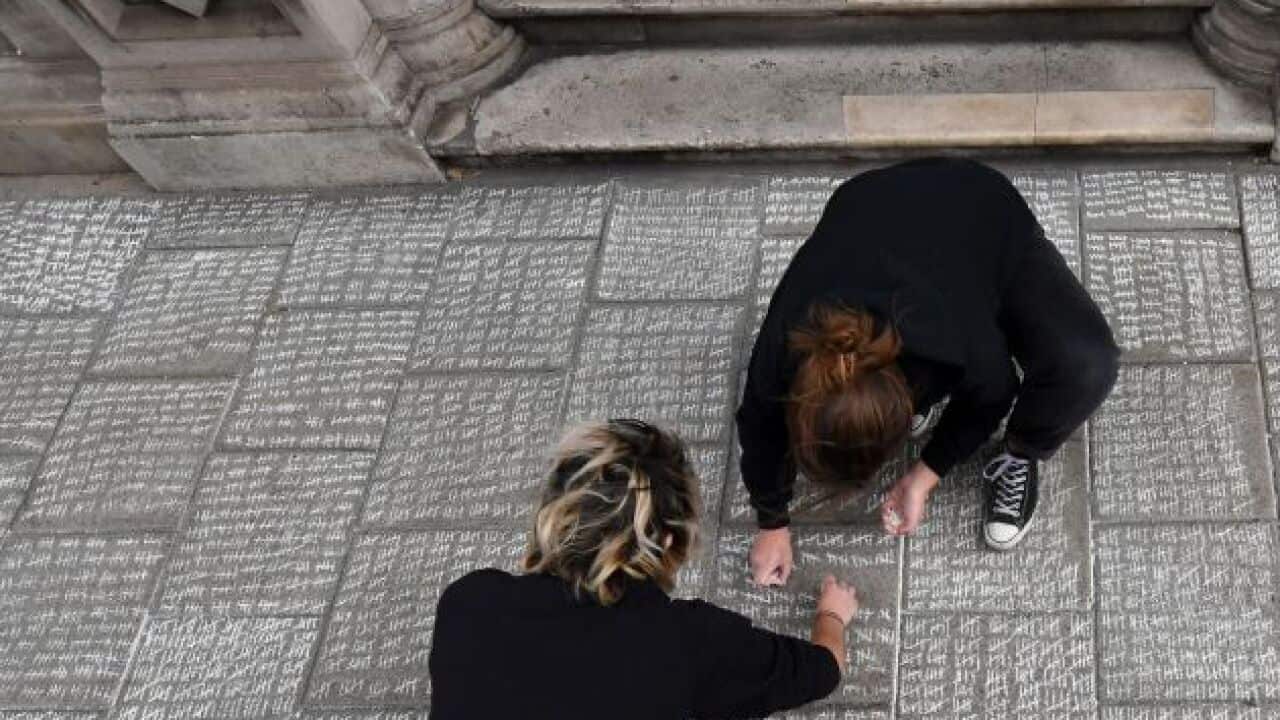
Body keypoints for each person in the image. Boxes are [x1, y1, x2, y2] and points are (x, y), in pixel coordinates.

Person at [738, 157, 1119, 586]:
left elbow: (993, 393)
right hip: (871, 207)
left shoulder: (955, 336)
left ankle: (1019, 453)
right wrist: (771, 523)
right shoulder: (784, 342)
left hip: (981, 214)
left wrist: (926, 473)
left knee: (1087, 364)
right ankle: (925, 399)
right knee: (948, 362)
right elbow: (758, 425)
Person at [429, 419, 860, 719]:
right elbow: (822, 671)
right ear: (669, 542)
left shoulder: (469, 603)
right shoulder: (686, 641)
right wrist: (832, 616)